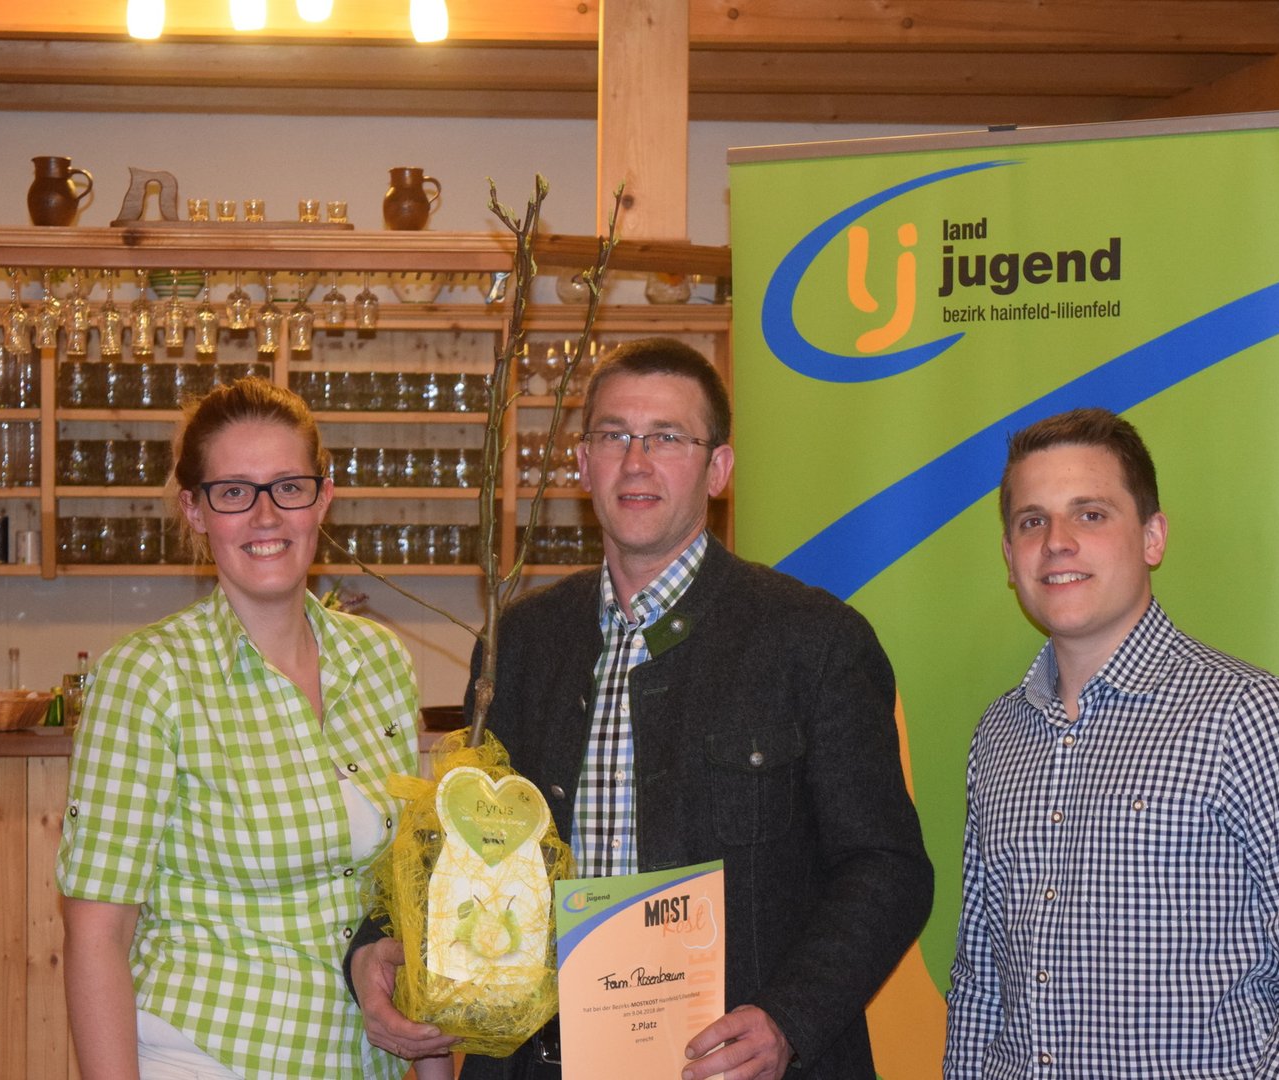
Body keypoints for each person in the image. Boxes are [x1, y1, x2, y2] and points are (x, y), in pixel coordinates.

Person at [348, 337, 934, 1080]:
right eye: (614, 435)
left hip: (728, 1067)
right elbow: (460, 840)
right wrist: (374, 944)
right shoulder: (520, 643)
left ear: (718, 469)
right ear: (581, 462)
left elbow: (886, 867)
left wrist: (790, 1018)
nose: (636, 461)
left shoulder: (814, 640)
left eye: (667, 437)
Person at [944, 407, 1279, 1077]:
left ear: (1152, 537)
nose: (1058, 542)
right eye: (1032, 521)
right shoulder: (1000, 736)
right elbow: (981, 979)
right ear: (1010, 559)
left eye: (1090, 514)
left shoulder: (1255, 718)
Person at [56, 377, 445, 1080]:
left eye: (288, 487)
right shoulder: (148, 676)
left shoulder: (380, 661)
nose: (266, 516)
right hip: (208, 1055)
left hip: (362, 1061)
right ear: (195, 510)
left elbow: (403, 893)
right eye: (234, 492)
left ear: (322, 498)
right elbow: (96, 936)